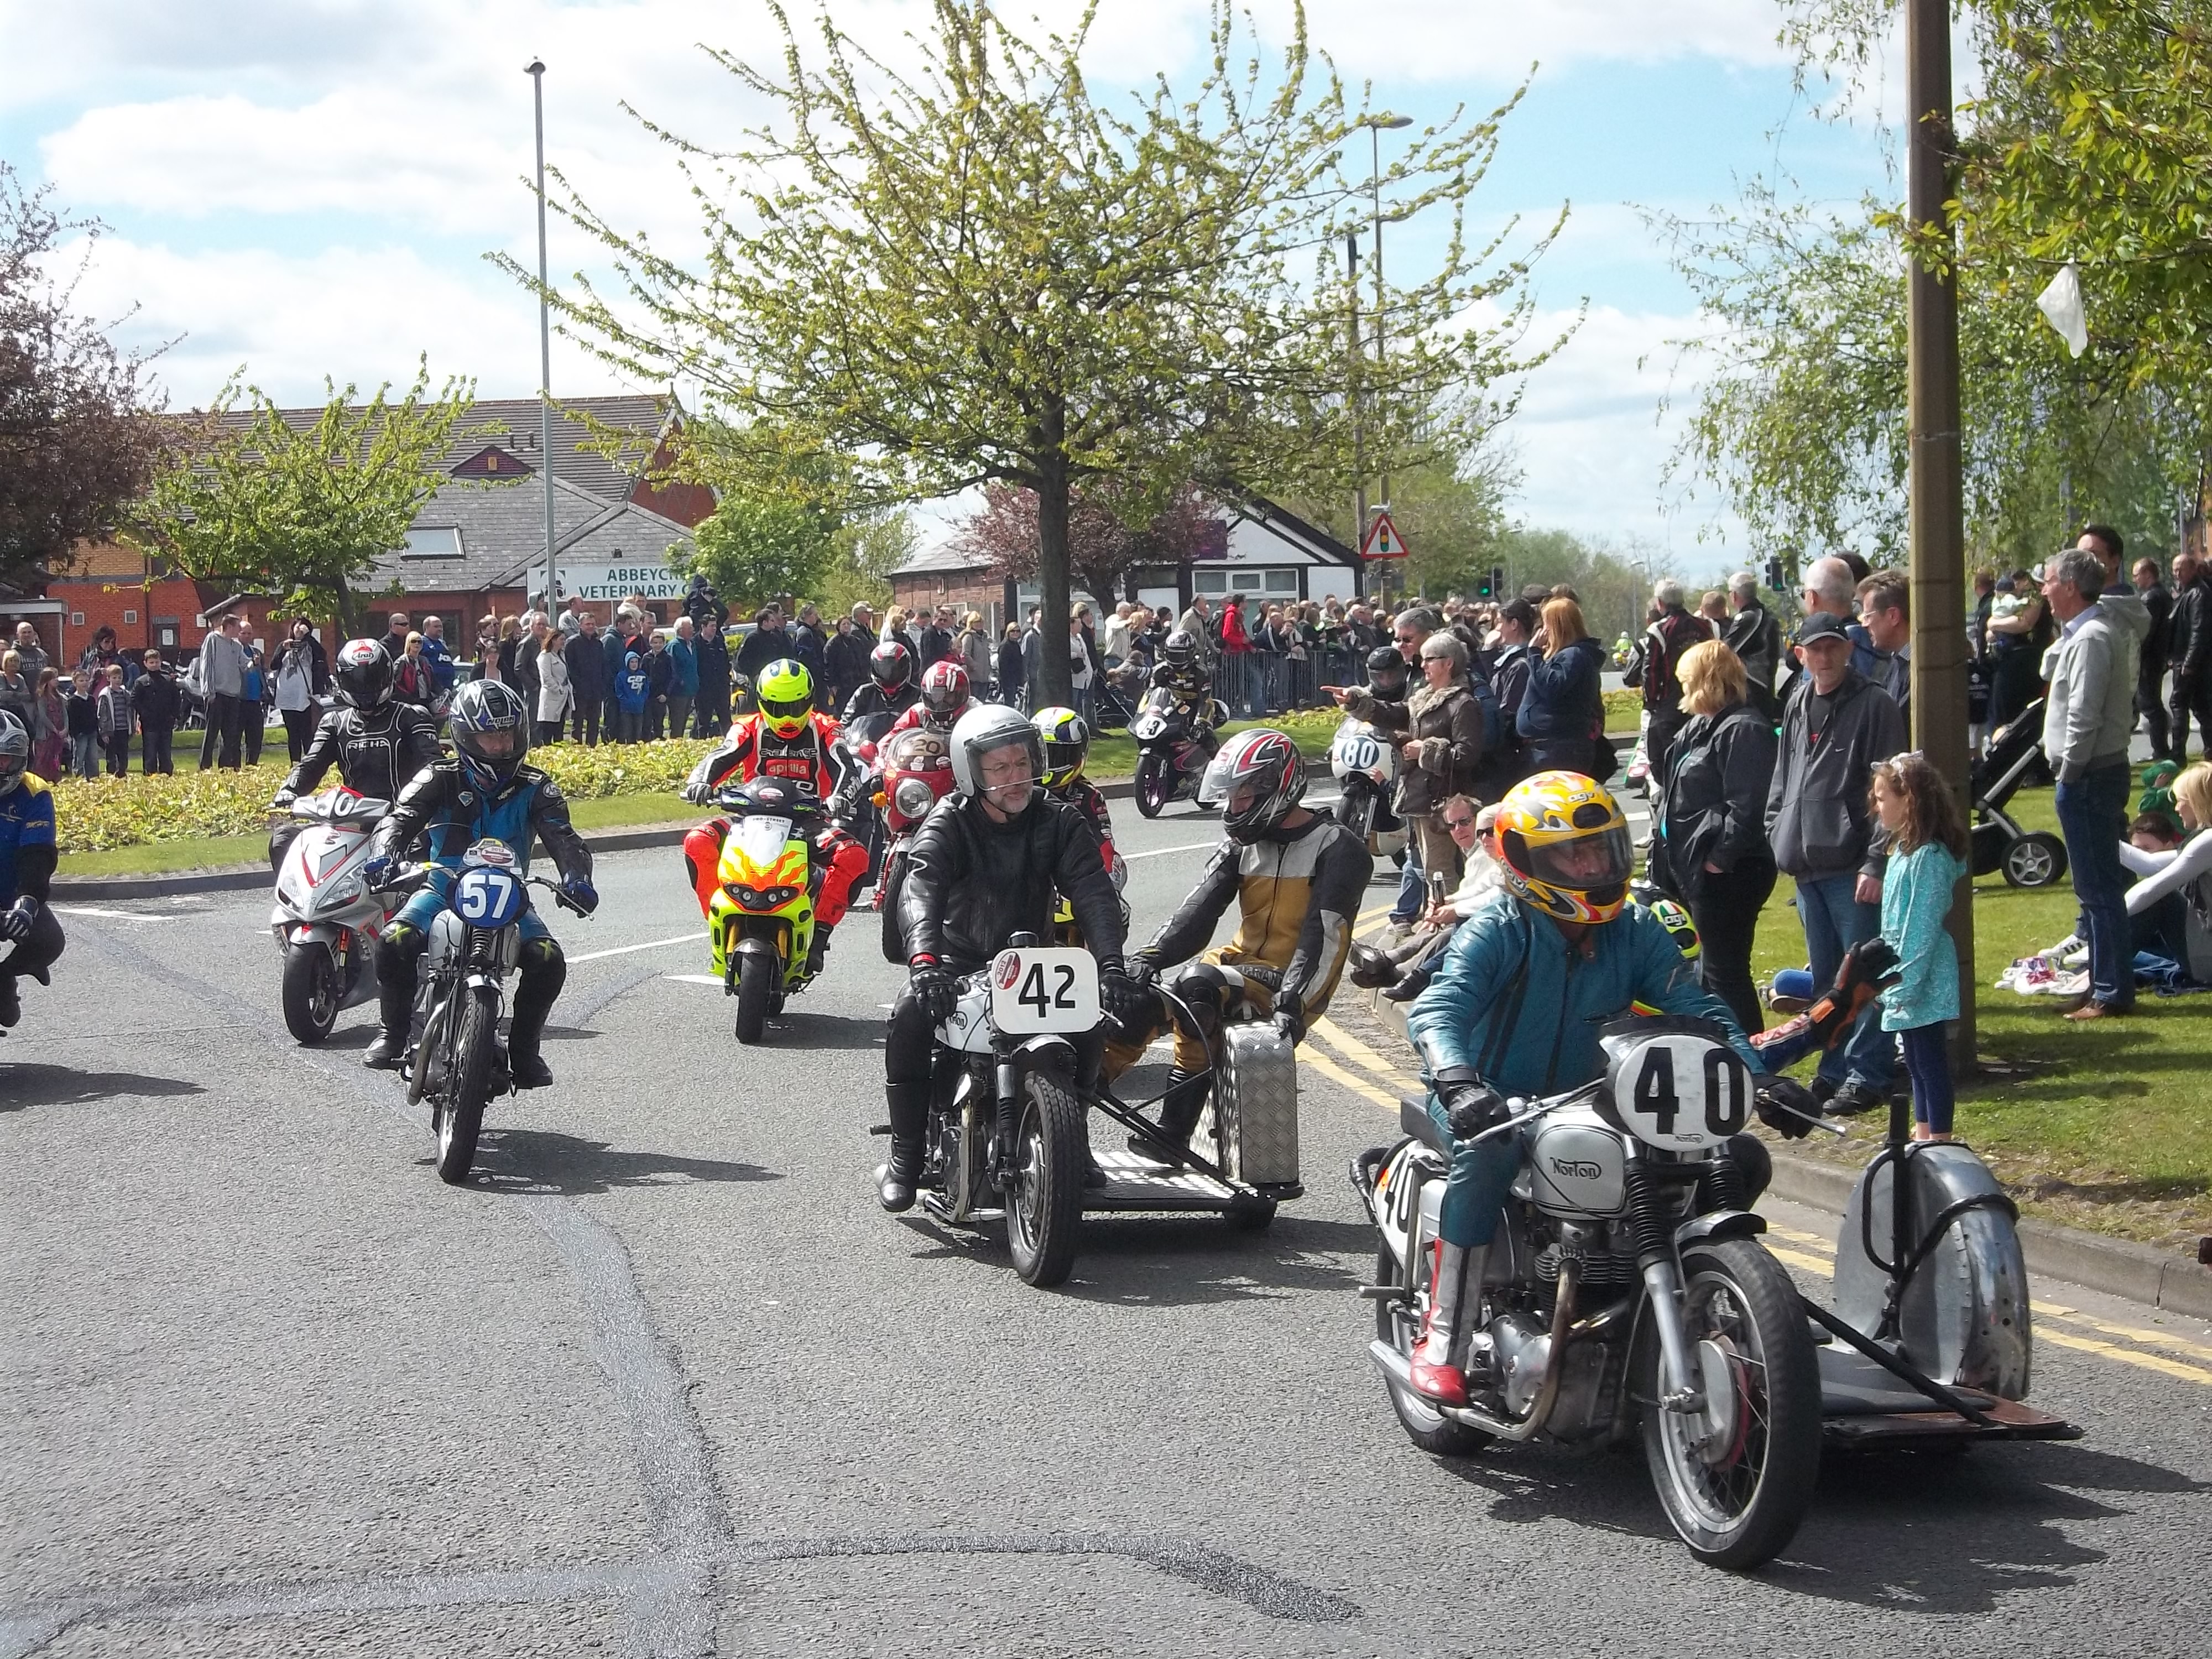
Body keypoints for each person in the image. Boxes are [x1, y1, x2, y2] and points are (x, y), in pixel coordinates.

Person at [1400, 770, 1791, 1405]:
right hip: (1488, 1098)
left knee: (1731, 1156)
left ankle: (1692, 1306)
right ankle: (1444, 1336)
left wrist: (1758, 1075)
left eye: (1599, 851)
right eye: (1571, 856)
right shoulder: (1497, 929)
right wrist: (1458, 1083)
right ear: (1527, 863)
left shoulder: (1632, 930)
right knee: (1492, 1151)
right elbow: (1438, 1011)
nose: (1591, 867)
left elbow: (1697, 1009)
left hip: (1598, 1098)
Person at [877, 705, 1140, 1208]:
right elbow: (920, 890)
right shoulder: (947, 822)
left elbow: (1093, 890)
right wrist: (925, 963)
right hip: (958, 964)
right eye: (999, 768)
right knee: (909, 1014)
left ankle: (1073, 1135)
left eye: (1022, 763)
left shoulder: (1059, 819)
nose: (1014, 777)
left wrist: (1110, 964)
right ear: (970, 773)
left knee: (1089, 1024)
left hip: (1033, 962)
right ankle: (905, 1156)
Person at [1104, 728, 1373, 1164]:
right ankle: (1068, 1119)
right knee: (1132, 1003)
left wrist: (1293, 1003)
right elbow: (1199, 911)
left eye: (1243, 795)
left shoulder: (1340, 848)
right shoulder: (1240, 844)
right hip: (1234, 968)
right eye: (1230, 796)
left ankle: (1172, 1135)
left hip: (1289, 982)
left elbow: (1322, 937)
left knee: (1198, 986)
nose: (1234, 807)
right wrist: (1148, 959)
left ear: (1277, 786)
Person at [360, 681, 596, 1082]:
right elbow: (398, 820)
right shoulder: (438, 776)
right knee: (394, 940)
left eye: (507, 736)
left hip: (510, 895)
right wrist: (384, 854)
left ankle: (525, 1051)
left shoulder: (538, 787)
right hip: (442, 887)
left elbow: (564, 837)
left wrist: (577, 878)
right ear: (465, 736)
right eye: (490, 737)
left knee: (548, 959)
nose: (501, 747)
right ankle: (393, 1034)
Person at [1766, 611, 1906, 1111]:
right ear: (1800, 655)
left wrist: (1875, 861)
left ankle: (1868, 1074)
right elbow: (1784, 773)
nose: (1824, 658)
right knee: (1827, 977)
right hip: (1806, 864)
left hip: (1851, 865)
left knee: (1863, 976)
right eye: (1815, 649)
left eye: (1833, 647)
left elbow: (1891, 791)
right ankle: (1834, 1069)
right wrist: (1776, 826)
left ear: (1848, 649)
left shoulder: (1875, 704)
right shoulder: (1798, 700)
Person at [677, 659, 868, 974]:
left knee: (853, 855)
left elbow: (847, 767)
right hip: (748, 819)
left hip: (808, 822)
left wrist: (841, 797)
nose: (788, 717)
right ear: (763, 703)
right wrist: (700, 782)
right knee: (698, 840)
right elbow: (720, 756)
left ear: (810, 701)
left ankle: (820, 934)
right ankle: (717, 916)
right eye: (779, 708)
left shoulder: (826, 728)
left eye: (796, 706)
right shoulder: (747, 727)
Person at [2044, 546, 2153, 1019]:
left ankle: (2110, 992)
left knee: (2099, 890)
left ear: (2070, 586)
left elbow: (2083, 716)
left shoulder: (2091, 637)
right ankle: (2101, 984)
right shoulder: (2085, 633)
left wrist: (2069, 773)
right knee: (2095, 889)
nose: (2044, 591)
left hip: (2090, 776)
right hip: (2093, 774)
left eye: (2050, 581)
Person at [1654, 640, 1777, 1036]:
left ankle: (1749, 1055)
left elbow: (1749, 806)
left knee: (1726, 972)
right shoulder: (1700, 727)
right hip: (1697, 866)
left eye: (1687, 680)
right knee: (1708, 972)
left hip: (1731, 871)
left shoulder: (1744, 729)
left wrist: (1719, 859)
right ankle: (1723, 1046)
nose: (1682, 688)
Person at [1867, 753, 1969, 1141]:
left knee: (1929, 1060)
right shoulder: (1902, 853)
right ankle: (1923, 1132)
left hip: (1921, 975)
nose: (1876, 806)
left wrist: (1901, 984)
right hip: (1902, 973)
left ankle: (1939, 1139)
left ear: (1908, 799)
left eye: (1882, 798)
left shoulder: (1929, 858)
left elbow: (1920, 929)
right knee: (1913, 1060)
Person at [1340, 632, 1482, 899]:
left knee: (1441, 870)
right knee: (1431, 870)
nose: (1423, 665)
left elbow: (1466, 755)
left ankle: (1448, 920)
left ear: (1448, 663)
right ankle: (1439, 915)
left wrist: (1423, 750)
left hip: (1445, 801)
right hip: (1422, 798)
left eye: (1429, 659)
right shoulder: (1423, 698)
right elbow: (1394, 714)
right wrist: (1355, 702)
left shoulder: (1463, 703)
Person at [272, 640, 444, 809]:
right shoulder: (334, 723)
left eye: (371, 679)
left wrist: (417, 802)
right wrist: (291, 788)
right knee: (296, 829)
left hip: (403, 816)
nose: (364, 687)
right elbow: (312, 764)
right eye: (355, 681)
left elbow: (432, 766)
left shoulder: (412, 717)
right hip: (351, 815)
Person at [0, 711, 65, 1030]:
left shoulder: (35, 793)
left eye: (3, 760)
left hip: (11, 894)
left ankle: (5, 975)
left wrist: (27, 902)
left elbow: (37, 854)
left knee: (50, 940)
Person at [2120, 761, 2212, 977]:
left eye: (2181, 801)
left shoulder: (2208, 842)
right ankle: (2097, 963)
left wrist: (2100, 924)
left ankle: (2101, 972)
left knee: (2162, 899)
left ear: (2199, 801)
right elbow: (2149, 863)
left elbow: (2150, 889)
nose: (2176, 808)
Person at [1517, 596, 1607, 779]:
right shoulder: (1569, 655)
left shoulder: (1573, 655)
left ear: (1558, 627)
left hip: (1559, 748)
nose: (1543, 630)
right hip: (1551, 746)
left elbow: (1551, 686)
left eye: (1546, 624)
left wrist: (1534, 653)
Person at [1637, 579, 1708, 790]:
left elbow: (1651, 670)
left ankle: (1673, 793)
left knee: (1664, 758)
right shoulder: (1705, 625)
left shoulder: (1659, 629)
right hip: (1704, 700)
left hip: (1672, 704)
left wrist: (1651, 703)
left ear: (1660, 603)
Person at [869, 660, 974, 755]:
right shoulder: (918, 712)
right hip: (925, 767)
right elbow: (891, 739)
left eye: (947, 697)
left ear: (962, 694)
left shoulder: (976, 714)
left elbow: (984, 751)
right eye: (935, 697)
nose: (940, 703)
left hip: (963, 766)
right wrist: (880, 760)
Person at [2132, 557, 2174, 761]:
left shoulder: (2151, 598)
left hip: (2149, 658)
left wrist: (2137, 653)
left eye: (2137, 575)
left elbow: (2146, 631)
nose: (2135, 579)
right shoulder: (2163, 595)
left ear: (2148, 574)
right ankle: (2161, 749)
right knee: (2150, 702)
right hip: (2158, 656)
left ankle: (2160, 750)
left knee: (2149, 703)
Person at [196, 615, 247, 770]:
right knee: (212, 732)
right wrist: (209, 692)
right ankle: (205, 766)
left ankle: (225, 767)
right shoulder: (213, 639)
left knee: (230, 734)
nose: (240, 631)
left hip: (232, 695)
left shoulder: (237, 646)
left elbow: (244, 663)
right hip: (216, 693)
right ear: (229, 626)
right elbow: (207, 665)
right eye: (238, 627)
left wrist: (254, 663)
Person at [272, 621, 327, 762]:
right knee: (293, 734)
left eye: (303, 628)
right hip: (287, 696)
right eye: (297, 627)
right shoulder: (284, 645)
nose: (299, 630)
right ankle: (295, 763)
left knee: (307, 733)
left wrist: (308, 637)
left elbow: (322, 654)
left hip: (305, 696)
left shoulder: (311, 646)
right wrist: (283, 649)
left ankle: (309, 763)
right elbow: (274, 665)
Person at [839, 639, 920, 735]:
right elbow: (845, 725)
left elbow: (926, 730)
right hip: (868, 744)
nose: (889, 675)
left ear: (906, 668)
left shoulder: (917, 696)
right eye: (884, 669)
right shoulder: (864, 693)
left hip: (903, 744)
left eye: (894, 670)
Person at [129, 650, 180, 775]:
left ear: (161, 663)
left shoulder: (168, 681)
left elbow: (176, 699)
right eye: (151, 663)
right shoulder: (141, 682)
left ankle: (167, 774)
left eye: (157, 662)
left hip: (166, 722)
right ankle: (150, 774)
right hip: (149, 723)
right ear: (145, 663)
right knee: (150, 751)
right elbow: (134, 700)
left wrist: (174, 715)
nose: (154, 665)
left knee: (165, 751)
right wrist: (144, 714)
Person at [564, 612, 609, 745]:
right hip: (579, 691)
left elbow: (603, 666)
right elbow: (570, 668)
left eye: (593, 624)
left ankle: (592, 747)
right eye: (587, 624)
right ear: (580, 625)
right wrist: (579, 685)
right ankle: (577, 749)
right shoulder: (572, 643)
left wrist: (602, 685)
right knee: (578, 723)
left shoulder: (598, 644)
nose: (590, 627)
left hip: (596, 690)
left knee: (594, 722)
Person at [695, 615, 733, 736]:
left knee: (726, 718)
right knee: (704, 719)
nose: (714, 628)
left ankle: (729, 740)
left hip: (721, 687)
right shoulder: (695, 643)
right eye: (711, 626)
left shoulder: (719, 641)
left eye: (715, 626)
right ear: (703, 627)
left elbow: (726, 661)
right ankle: (702, 741)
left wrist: (726, 678)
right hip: (704, 688)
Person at [534, 628, 572, 744]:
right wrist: (558, 690)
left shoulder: (561, 655)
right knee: (548, 731)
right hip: (551, 698)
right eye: (561, 639)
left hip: (563, 698)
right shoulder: (545, 656)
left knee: (559, 730)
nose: (564, 642)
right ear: (553, 640)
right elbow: (546, 678)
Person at [96, 664, 132, 776]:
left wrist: (132, 728)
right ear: (108, 679)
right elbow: (102, 715)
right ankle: (111, 775)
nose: (117, 680)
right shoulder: (105, 695)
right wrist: (104, 732)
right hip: (111, 731)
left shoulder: (126, 694)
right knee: (111, 756)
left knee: (123, 755)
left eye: (119, 678)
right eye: (114, 678)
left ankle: (122, 774)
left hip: (124, 729)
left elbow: (130, 712)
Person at [63, 671, 97, 780]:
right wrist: (75, 734)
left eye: (87, 680)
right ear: (75, 683)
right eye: (81, 681)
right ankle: (80, 779)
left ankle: (94, 779)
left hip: (92, 733)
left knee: (93, 758)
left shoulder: (91, 699)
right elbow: (71, 720)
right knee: (79, 757)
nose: (85, 683)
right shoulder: (72, 701)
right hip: (80, 734)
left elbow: (94, 716)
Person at [32, 667, 64, 782]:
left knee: (56, 758)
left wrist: (66, 728)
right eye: (54, 678)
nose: (57, 680)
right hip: (46, 735)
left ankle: (56, 780)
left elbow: (64, 713)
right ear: (47, 680)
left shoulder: (59, 696)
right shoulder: (42, 697)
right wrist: (54, 729)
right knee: (43, 759)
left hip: (59, 734)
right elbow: (43, 716)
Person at [613, 650, 650, 743]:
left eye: (636, 662)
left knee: (638, 732)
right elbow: (619, 691)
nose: (634, 664)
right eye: (632, 662)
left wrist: (642, 700)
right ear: (627, 663)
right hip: (626, 709)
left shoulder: (643, 675)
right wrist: (625, 701)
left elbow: (646, 689)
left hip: (639, 708)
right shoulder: (621, 675)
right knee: (627, 732)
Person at [958, 611, 994, 697]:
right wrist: (974, 666)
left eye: (981, 622)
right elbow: (965, 654)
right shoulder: (968, 636)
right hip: (973, 678)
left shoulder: (985, 637)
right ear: (971, 623)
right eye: (976, 622)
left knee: (982, 701)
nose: (979, 624)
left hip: (985, 677)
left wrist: (989, 668)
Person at [995, 622, 1025, 709]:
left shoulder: (1016, 644)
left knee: (1013, 702)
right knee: (1009, 703)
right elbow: (1002, 665)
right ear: (1008, 632)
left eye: (1018, 631)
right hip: (1007, 680)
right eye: (1013, 631)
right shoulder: (1005, 645)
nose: (1015, 633)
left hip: (1014, 679)